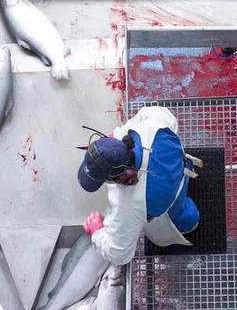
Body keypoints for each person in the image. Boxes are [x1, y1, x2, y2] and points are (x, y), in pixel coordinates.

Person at [77, 106, 201, 265]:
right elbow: (167, 117)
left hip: (169, 204)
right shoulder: (150, 124)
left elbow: (119, 256)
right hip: (181, 170)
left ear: (117, 178)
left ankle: (188, 222)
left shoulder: (131, 203)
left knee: (185, 221)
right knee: (179, 189)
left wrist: (96, 231)